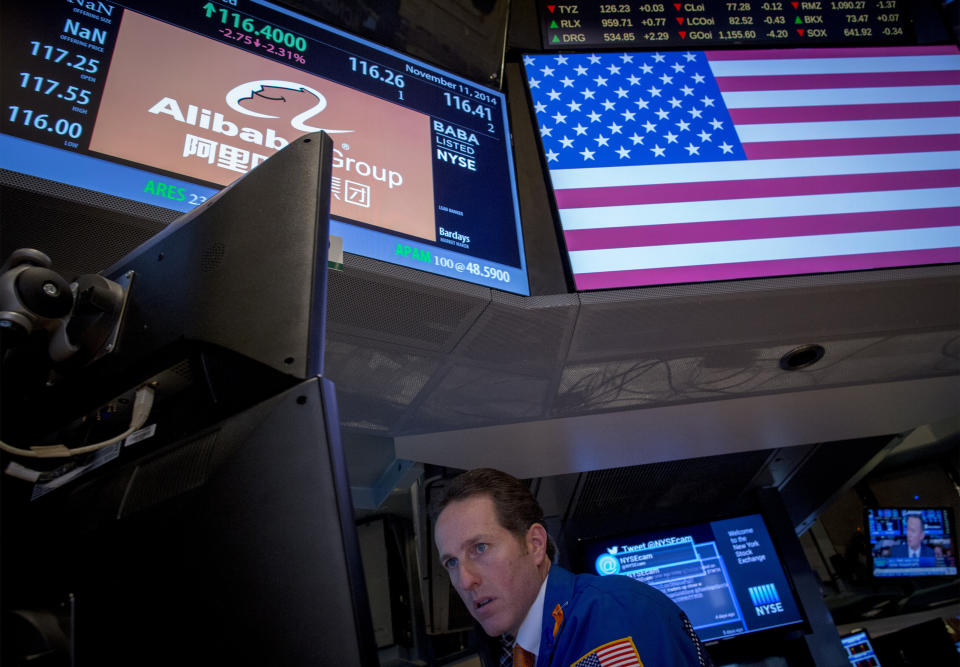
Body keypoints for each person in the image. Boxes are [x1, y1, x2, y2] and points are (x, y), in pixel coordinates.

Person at [434, 468, 712, 666]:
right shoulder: (511, 646)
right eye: (452, 562)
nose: (465, 580)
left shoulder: (614, 621)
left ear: (535, 544)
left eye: (480, 548)